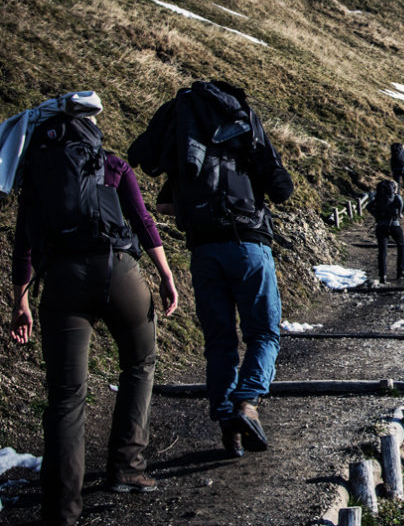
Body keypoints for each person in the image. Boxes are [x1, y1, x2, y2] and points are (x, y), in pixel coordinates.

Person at [8, 93, 178, 526]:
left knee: (66, 396)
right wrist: (165, 274)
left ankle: (62, 510)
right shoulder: (111, 163)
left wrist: (21, 301)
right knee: (139, 363)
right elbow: (142, 220)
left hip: (63, 281)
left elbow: (24, 244)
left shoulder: (37, 174)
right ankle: (127, 467)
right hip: (119, 271)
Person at [129, 80, 293, 459]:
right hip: (248, 242)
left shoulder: (181, 130)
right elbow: (281, 188)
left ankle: (227, 427)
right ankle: (247, 403)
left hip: (203, 249)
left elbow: (156, 180)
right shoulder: (243, 122)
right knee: (263, 332)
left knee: (219, 340)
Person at [367, 179, 404, 283]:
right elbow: (401, 206)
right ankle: (400, 271)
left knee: (382, 251)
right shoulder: (396, 197)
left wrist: (376, 216)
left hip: (381, 226)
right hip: (394, 225)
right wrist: (399, 214)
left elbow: (368, 207)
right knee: (401, 246)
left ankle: (382, 276)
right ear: (393, 188)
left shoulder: (378, 199)